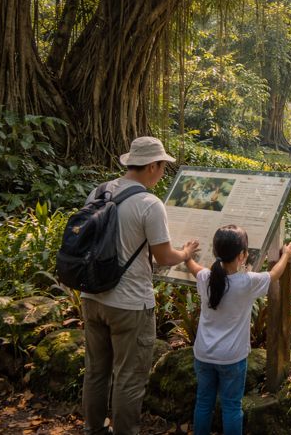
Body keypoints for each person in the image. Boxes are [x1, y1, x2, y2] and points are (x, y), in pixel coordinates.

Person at [82, 137, 200, 435]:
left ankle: (92, 429)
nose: (162, 173)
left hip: (92, 295)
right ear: (151, 166)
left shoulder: (99, 191)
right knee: (129, 377)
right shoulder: (149, 204)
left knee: (97, 371)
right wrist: (186, 253)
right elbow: (164, 256)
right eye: (162, 167)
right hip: (130, 304)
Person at [185, 226, 291, 435]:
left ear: (216, 252)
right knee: (232, 406)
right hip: (232, 359)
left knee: (203, 402)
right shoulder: (247, 282)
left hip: (204, 355)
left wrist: (187, 255)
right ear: (243, 255)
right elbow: (274, 274)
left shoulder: (206, 277)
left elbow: (193, 267)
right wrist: (286, 255)